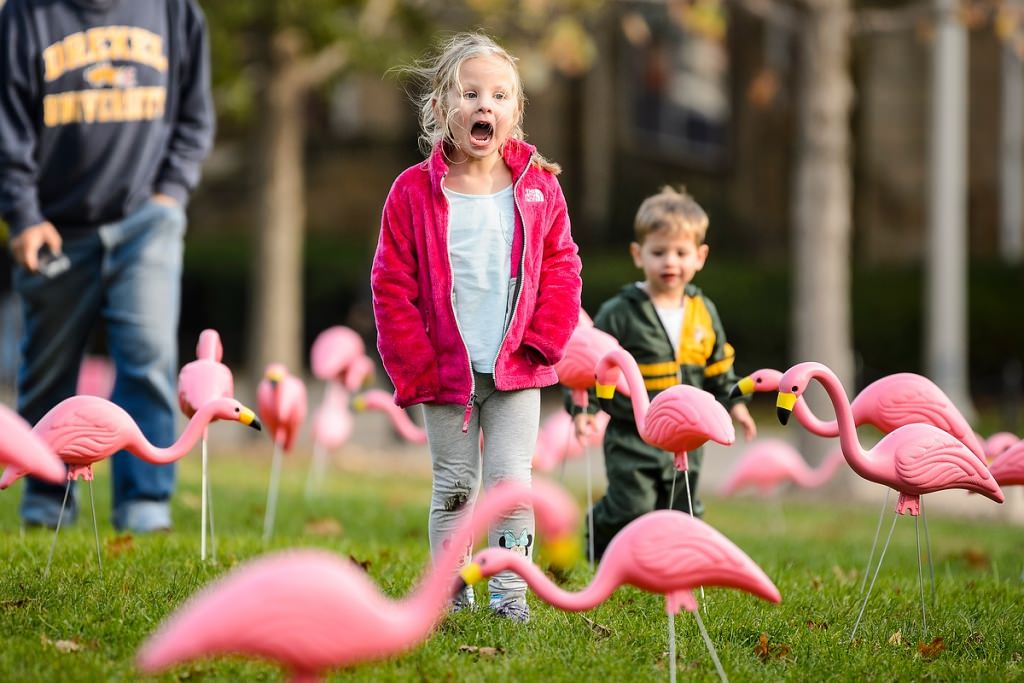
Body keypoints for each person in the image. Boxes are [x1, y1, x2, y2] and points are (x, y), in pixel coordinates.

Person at [371, 32, 582, 623]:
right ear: (442, 109)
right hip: (446, 374)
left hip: (517, 369)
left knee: (512, 485)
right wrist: (414, 364)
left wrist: (544, 342)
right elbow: (391, 284)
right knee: (456, 488)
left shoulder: (539, 188)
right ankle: (451, 592)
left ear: (515, 112)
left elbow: (564, 266)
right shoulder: (413, 192)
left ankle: (509, 596)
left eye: (498, 95)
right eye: (469, 94)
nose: (483, 105)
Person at [0, 0, 214, 532]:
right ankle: (47, 500)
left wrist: (170, 194)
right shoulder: (26, 15)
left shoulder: (174, 10)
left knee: (147, 359)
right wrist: (23, 216)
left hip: (146, 221)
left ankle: (145, 503)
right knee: (47, 370)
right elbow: (7, 128)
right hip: (54, 226)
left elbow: (195, 114)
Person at [574, 186, 757, 561]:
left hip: (687, 438)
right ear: (638, 255)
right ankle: (600, 534)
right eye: (658, 252)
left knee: (682, 508)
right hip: (632, 436)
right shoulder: (621, 312)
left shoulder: (703, 310)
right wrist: (586, 410)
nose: (669, 262)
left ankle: (673, 564)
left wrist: (736, 406)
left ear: (700, 257)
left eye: (680, 252)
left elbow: (719, 366)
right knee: (633, 506)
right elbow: (593, 363)